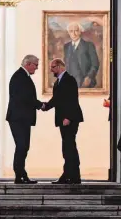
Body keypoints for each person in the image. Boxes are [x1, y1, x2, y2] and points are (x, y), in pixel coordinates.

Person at [42, 58, 84, 184]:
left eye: (53, 67)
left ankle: (71, 176)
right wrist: (44, 106)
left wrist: (68, 118)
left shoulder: (69, 80)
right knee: (67, 147)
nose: (51, 70)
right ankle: (70, 175)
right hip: (63, 119)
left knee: (69, 147)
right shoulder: (58, 82)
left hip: (69, 119)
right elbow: (57, 99)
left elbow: (72, 100)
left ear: (60, 66)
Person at [6, 54, 43, 184]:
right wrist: (40, 105)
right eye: (36, 65)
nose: (37, 68)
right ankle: (20, 176)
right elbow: (25, 98)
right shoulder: (20, 77)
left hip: (21, 118)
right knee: (22, 146)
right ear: (28, 64)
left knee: (23, 146)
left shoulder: (22, 76)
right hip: (18, 118)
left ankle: (21, 175)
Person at [63, 22, 99, 88]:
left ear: (80, 32)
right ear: (68, 33)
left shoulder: (89, 45)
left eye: (76, 31)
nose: (73, 34)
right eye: (71, 31)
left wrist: (89, 77)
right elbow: (66, 65)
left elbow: (95, 64)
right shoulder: (66, 46)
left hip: (85, 82)